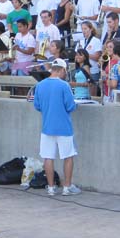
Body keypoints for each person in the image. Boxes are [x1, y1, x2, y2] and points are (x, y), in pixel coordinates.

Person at [33, 58, 80, 196]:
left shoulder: (40, 85)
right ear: (62, 70)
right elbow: (70, 106)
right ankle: (67, 187)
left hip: (47, 126)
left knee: (48, 157)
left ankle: (51, 187)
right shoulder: (64, 86)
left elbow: (37, 106)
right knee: (68, 156)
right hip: (64, 127)